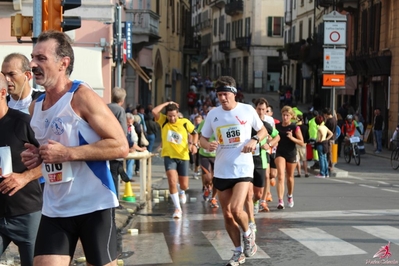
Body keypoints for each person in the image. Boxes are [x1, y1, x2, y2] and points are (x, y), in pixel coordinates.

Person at [20, 30, 129, 266]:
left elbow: (120, 146)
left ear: (63, 63)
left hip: (94, 206)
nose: (33, 64)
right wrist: (37, 156)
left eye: (41, 58)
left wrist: (68, 154)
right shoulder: (35, 107)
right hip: (55, 209)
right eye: (32, 57)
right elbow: (52, 152)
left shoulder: (81, 96)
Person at [200, 76, 267, 265]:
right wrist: (208, 145)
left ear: (234, 93)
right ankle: (238, 251)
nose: (222, 98)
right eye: (219, 95)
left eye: (225, 94)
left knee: (237, 209)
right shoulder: (213, 114)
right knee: (227, 214)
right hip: (222, 170)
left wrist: (254, 140)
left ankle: (248, 234)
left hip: (243, 168)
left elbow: (263, 131)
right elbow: (202, 139)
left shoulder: (247, 110)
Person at [0, 73, 43, 266]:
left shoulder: (24, 122)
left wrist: (26, 177)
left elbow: (53, 160)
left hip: (28, 213)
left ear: (2, 93)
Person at [1, 53, 47, 189]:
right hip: (10, 181)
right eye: (3, 74)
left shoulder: (43, 100)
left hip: (42, 181)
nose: (7, 79)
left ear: (28, 75)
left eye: (12, 74)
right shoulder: (3, 105)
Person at [152, 101, 198, 219]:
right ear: (166, 115)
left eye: (174, 115)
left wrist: (193, 145)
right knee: (172, 181)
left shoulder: (185, 122)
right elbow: (154, 111)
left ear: (178, 114)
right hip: (169, 156)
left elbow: (195, 133)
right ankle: (177, 208)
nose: (172, 118)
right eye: (169, 115)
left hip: (183, 156)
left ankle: (182, 191)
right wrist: (167, 103)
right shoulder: (163, 121)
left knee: (184, 185)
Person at [247, 98, 280, 230]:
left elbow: (277, 136)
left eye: (263, 110)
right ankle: (250, 217)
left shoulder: (266, 125)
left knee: (258, 193)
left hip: (261, 160)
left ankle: (256, 202)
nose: (261, 112)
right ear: (255, 109)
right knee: (248, 190)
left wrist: (270, 144)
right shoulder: (247, 124)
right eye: (259, 109)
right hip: (246, 161)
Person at [275, 106, 305, 209]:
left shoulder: (294, 127)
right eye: (283, 115)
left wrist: (292, 137)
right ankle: (280, 201)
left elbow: (302, 142)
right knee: (280, 175)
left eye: (287, 115)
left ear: (291, 116)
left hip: (291, 153)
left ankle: (290, 195)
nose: (285, 117)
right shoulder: (277, 126)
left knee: (290, 177)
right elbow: (272, 136)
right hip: (280, 152)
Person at [107, 87, 129, 197]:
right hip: (115, 148)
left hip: (103, 146)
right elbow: (123, 131)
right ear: (123, 100)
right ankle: (114, 200)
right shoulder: (120, 110)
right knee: (114, 175)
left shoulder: (105, 107)